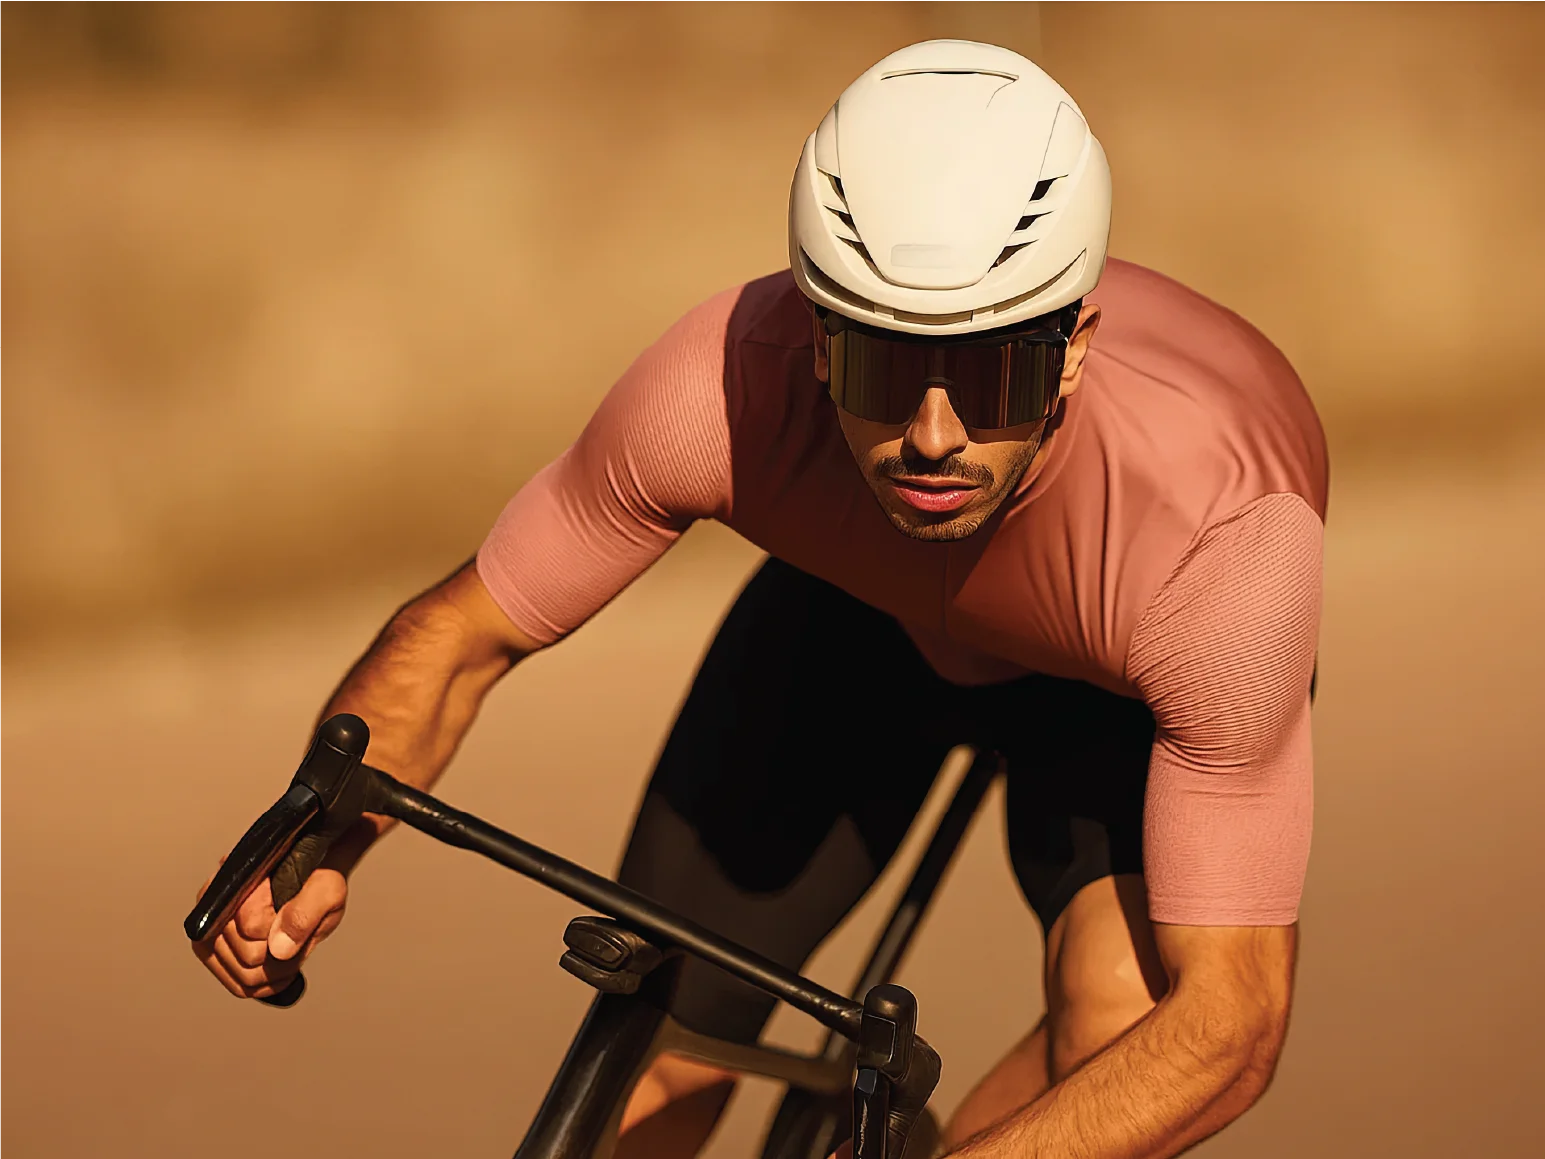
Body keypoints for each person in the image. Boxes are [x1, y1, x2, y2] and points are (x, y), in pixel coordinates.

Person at [195, 39, 1327, 1159]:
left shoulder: (1224, 532)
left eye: (992, 375)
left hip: (1115, 675)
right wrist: (315, 844)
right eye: (886, 368)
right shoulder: (722, 386)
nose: (933, 438)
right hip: (859, 620)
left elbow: (1229, 1025)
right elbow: (460, 637)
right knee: (656, 1052)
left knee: (1119, 1020)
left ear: (1074, 348)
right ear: (820, 342)